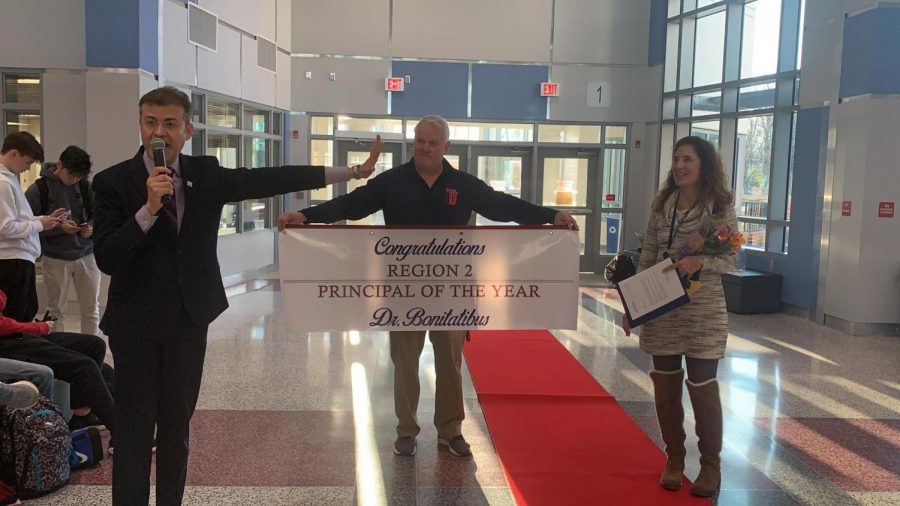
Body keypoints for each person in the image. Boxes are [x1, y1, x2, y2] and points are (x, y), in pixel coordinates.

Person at [91, 85, 383, 505]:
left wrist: (349, 173)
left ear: (187, 129)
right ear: (140, 125)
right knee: (135, 430)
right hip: (133, 325)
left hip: (187, 321)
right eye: (150, 123)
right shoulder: (113, 182)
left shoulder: (205, 174)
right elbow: (107, 256)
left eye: (170, 124)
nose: (159, 133)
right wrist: (148, 209)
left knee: (176, 427)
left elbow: (271, 178)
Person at [278, 115, 578, 458]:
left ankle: (450, 431)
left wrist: (549, 215)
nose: (424, 148)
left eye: (432, 143)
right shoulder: (392, 182)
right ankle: (406, 429)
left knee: (449, 364)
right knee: (404, 361)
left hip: (452, 292)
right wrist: (307, 216)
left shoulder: (463, 184)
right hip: (404, 292)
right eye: (420, 141)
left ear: (446, 147)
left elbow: (501, 205)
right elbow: (351, 205)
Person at [622, 136, 737, 498]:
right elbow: (648, 258)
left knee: (703, 389)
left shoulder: (719, 209)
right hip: (663, 309)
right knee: (666, 388)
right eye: (676, 159)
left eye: (687, 159)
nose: (679, 165)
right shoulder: (662, 206)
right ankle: (674, 458)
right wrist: (633, 307)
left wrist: (701, 261)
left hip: (703, 312)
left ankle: (710, 466)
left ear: (704, 165)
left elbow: (731, 259)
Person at [25, 145, 101, 336]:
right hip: (55, 257)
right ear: (60, 165)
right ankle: (60, 353)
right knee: (56, 311)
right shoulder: (38, 190)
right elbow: (28, 226)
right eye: (72, 175)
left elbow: (98, 215)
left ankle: (91, 352)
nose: (75, 180)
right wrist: (60, 228)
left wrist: (89, 229)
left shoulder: (85, 186)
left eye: (79, 176)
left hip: (86, 254)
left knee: (91, 310)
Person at [0, 131, 65, 323]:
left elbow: (19, 219)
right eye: (27, 162)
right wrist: (39, 224)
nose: (26, 168)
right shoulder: (3, 183)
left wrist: (44, 219)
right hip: (12, 261)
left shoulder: (9, 179)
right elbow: (6, 228)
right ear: (13, 154)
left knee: (26, 312)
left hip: (18, 259)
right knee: (18, 316)